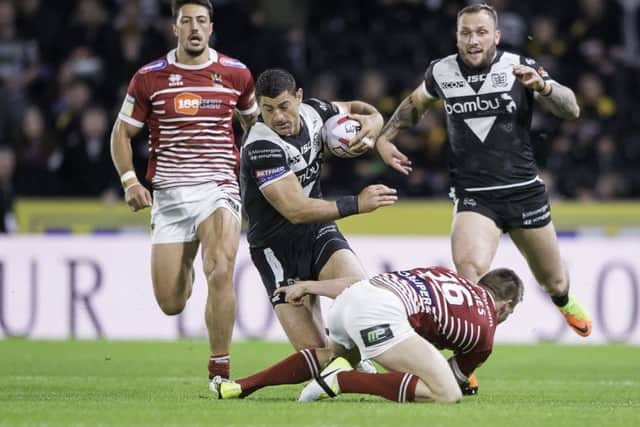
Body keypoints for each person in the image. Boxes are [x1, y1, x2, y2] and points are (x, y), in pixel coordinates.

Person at [375, 3, 591, 337]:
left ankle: (563, 301)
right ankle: (466, 356)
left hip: (523, 192)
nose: (473, 39)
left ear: (496, 37)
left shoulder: (519, 66)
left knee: (554, 280)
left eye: (481, 32)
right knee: (470, 276)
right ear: (457, 37)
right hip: (475, 196)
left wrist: (543, 87)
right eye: (465, 33)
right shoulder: (441, 71)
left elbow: (571, 108)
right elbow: (414, 105)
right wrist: (384, 138)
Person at [109, 0, 259, 387]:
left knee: (222, 268)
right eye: (187, 21)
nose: (195, 28)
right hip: (171, 198)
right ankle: (190, 253)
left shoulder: (237, 74)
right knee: (171, 303)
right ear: (174, 28)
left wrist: (264, 174)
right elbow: (121, 133)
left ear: (211, 27)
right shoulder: (149, 77)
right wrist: (129, 181)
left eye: (202, 21)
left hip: (219, 187)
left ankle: (219, 371)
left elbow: (255, 127)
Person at [239, 68, 397, 358]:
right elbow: (296, 210)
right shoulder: (261, 146)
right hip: (276, 248)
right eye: (268, 109)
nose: (278, 117)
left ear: (299, 98)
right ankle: (348, 362)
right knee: (316, 356)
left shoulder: (315, 112)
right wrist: (356, 204)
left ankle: (359, 360)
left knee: (361, 293)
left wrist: (374, 120)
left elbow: (356, 108)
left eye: (284, 106)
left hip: (318, 231)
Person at [213, 266, 523, 403]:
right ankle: (341, 380)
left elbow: (380, 284)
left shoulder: (446, 275)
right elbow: (453, 377)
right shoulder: (485, 334)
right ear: (506, 305)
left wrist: (312, 287)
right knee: (446, 393)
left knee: (332, 355)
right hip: (382, 315)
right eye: (511, 312)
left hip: (356, 295)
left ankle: (240, 386)